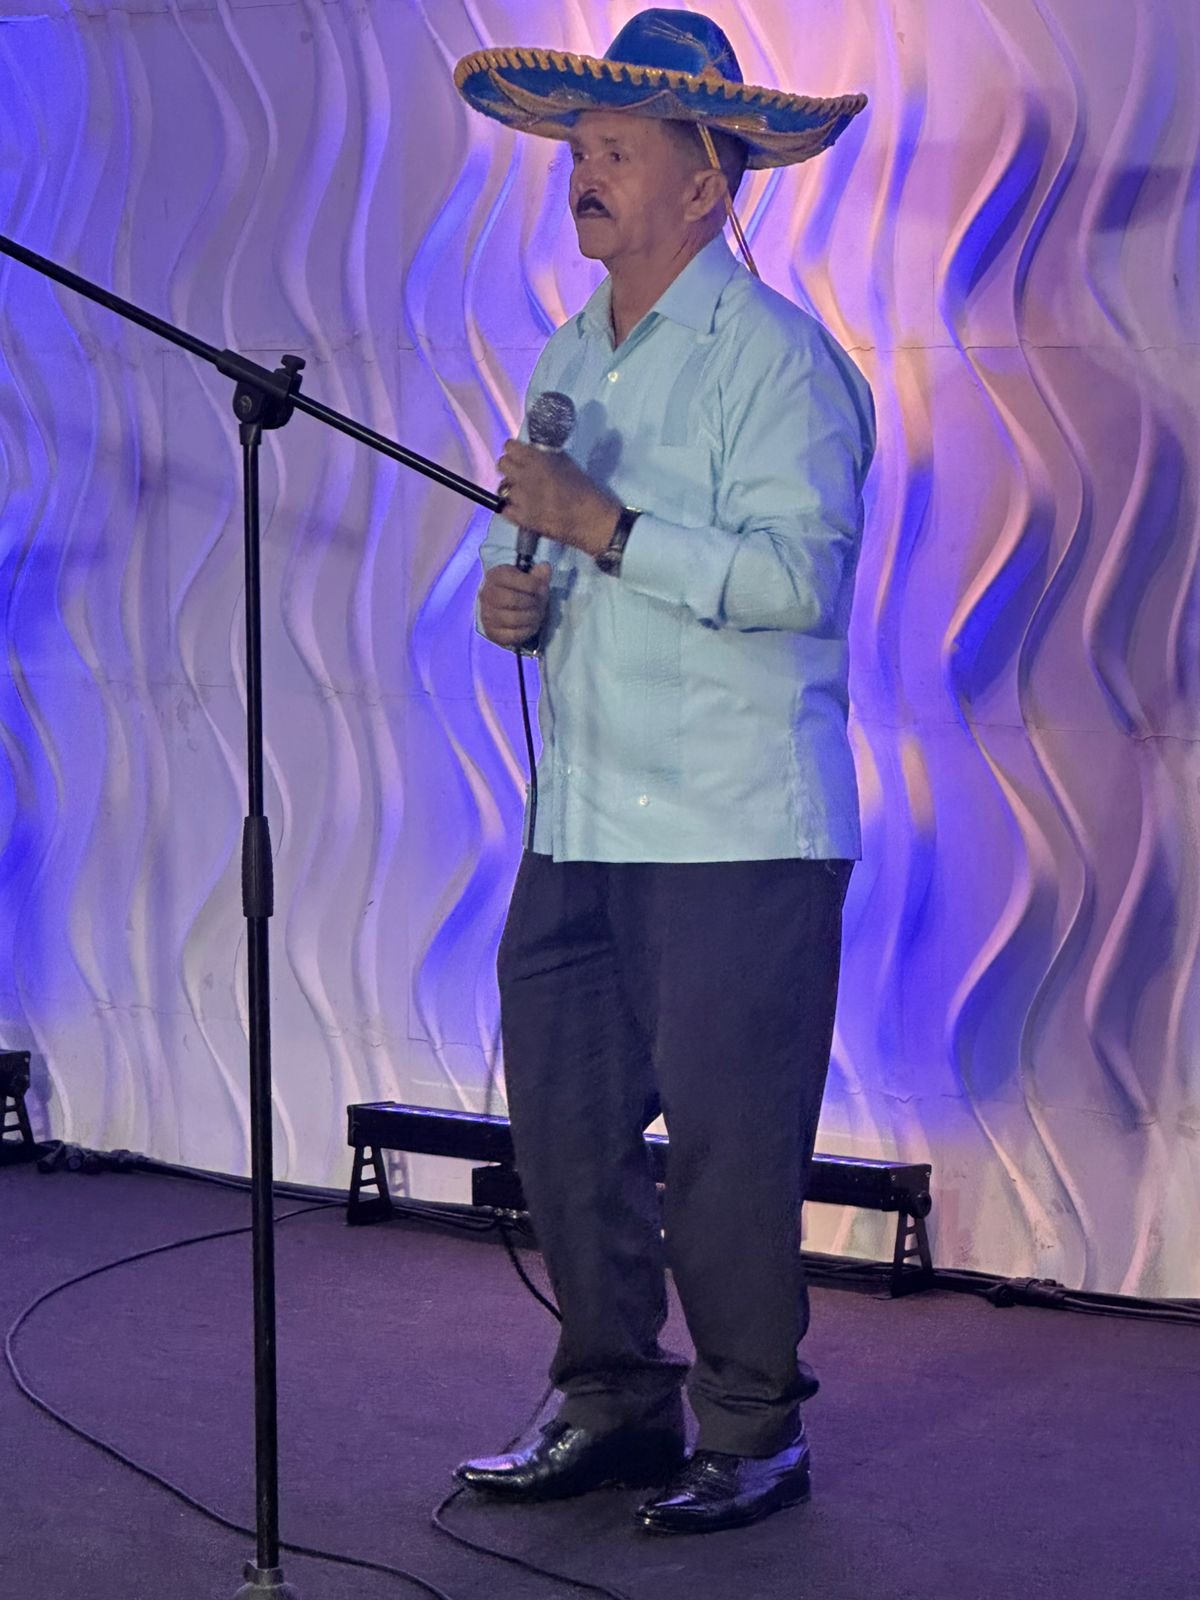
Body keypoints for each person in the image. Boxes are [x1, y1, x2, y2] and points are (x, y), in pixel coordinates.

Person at [452, 9, 875, 1535]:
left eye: (617, 152)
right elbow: (543, 541)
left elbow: (797, 582)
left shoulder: (780, 360)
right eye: (578, 151)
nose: (585, 174)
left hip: (737, 824)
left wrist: (607, 530)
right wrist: (516, 595)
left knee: (726, 1154)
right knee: (566, 1129)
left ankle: (753, 1430)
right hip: (583, 814)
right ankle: (614, 1400)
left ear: (707, 181)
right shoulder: (572, 353)